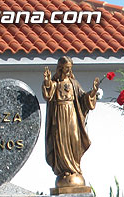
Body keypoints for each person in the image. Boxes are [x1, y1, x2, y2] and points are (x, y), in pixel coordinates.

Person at [42, 56, 99, 188]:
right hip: (59, 115)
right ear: (61, 68)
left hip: (72, 113)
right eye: (66, 68)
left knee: (75, 138)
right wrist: (47, 82)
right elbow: (48, 95)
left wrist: (93, 92)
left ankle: (75, 167)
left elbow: (83, 99)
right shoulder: (55, 83)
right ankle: (64, 170)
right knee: (61, 141)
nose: (68, 71)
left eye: (70, 68)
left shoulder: (74, 83)